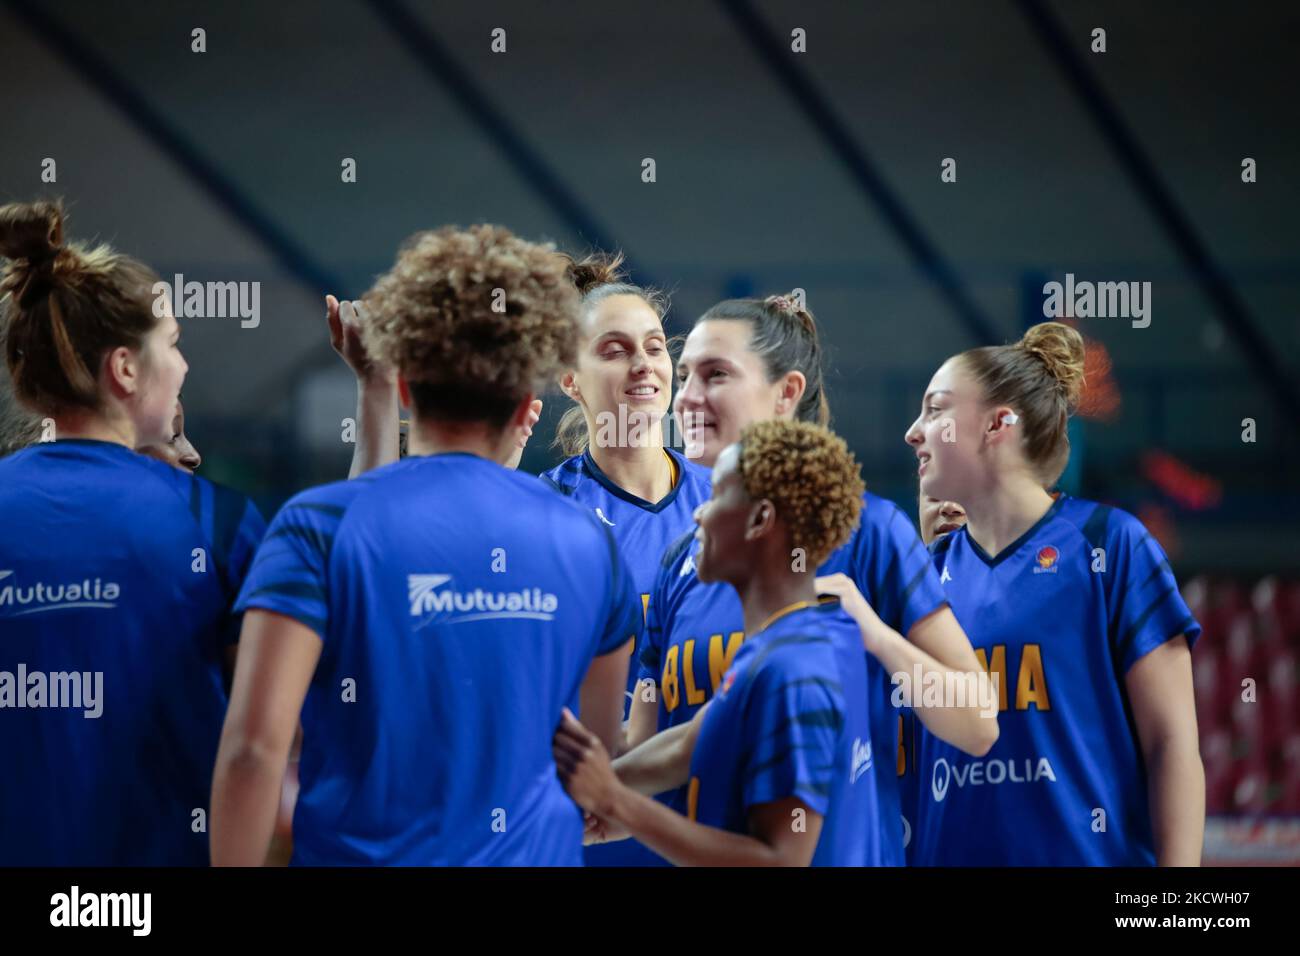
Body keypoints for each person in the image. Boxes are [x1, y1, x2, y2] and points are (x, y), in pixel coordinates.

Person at [210, 224, 641, 866]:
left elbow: (253, 752)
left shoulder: (317, 527)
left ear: (407, 385)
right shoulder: (592, 544)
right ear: (529, 401)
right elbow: (596, 764)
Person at [634, 293, 996, 865]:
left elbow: (978, 722)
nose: (688, 397)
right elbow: (657, 756)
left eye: (716, 374)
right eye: (684, 376)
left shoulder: (868, 532)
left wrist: (876, 634)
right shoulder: (685, 558)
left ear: (787, 393)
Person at [0, 199, 265, 865]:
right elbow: (269, 735)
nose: (182, 366)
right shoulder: (214, 520)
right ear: (124, 369)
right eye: (173, 343)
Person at [904, 321, 1203, 865]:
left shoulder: (1113, 547)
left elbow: (1172, 746)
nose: (913, 432)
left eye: (936, 409)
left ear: (998, 423)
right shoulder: (919, 578)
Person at [555, 420, 877, 865]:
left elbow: (780, 860)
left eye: (717, 495)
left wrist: (615, 801)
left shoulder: (793, 670)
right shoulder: (805, 634)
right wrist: (586, 792)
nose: (697, 513)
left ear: (760, 519)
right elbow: (692, 742)